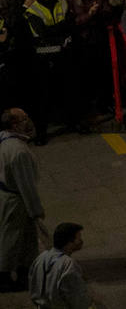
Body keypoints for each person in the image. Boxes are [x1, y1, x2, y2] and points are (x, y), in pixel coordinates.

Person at [0, 108, 43, 292]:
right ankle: (4, 277)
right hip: (16, 201)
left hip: (7, 195)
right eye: (24, 118)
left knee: (23, 237)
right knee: (12, 239)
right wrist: (36, 211)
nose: (29, 121)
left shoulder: (5, 140)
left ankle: (25, 270)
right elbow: (26, 185)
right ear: (14, 125)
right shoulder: (18, 151)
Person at [26, 221, 87, 309]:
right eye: (78, 238)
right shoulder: (68, 264)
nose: (81, 241)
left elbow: (33, 285)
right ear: (69, 242)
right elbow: (77, 298)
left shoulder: (41, 258)